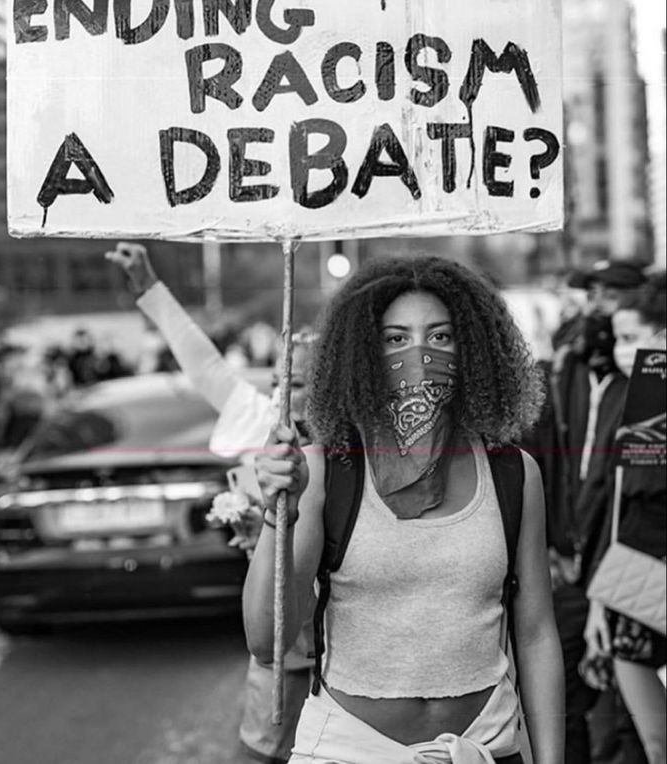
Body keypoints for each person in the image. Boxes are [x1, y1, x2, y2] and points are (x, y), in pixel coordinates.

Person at [244, 254, 564, 764]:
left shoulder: (513, 473)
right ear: (363, 356)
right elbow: (268, 643)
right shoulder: (324, 472)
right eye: (395, 339)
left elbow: (537, 633)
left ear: (476, 350)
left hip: (487, 747)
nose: (419, 355)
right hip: (350, 751)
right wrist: (277, 514)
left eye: (441, 337)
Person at [105, 241, 315, 764]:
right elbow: (202, 364)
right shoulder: (255, 415)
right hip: (276, 639)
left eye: (302, 381)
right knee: (260, 749)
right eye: (276, 379)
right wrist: (149, 288)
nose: (283, 391)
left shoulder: (353, 441)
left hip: (347, 643)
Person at [534, 259, 648, 764]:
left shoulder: (649, 385)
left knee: (633, 714)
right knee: (567, 697)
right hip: (573, 563)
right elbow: (557, 466)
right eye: (592, 295)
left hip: (631, 564)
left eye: (611, 296)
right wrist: (556, 542)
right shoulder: (569, 368)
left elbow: (636, 495)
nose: (597, 309)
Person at [584, 271, 666, 764]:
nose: (627, 351)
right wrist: (602, 602)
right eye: (622, 339)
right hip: (635, 590)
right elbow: (622, 509)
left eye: (636, 338)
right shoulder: (642, 407)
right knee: (656, 745)